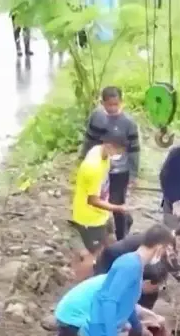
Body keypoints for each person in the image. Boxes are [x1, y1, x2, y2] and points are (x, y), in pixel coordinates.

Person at [95, 214, 180, 336]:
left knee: (155, 282)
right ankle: (129, 331)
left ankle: (136, 329)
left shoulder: (171, 236)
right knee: (150, 283)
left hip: (126, 262)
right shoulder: (167, 248)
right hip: (110, 263)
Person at [53, 265, 167, 336]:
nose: (158, 290)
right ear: (147, 282)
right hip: (73, 319)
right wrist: (142, 328)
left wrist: (152, 316)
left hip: (70, 310)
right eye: (157, 286)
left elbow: (132, 307)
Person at [80, 87, 141, 241]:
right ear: (102, 103)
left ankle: (122, 236)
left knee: (117, 202)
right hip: (101, 169)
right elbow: (89, 141)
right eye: (109, 105)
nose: (113, 108)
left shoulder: (129, 123)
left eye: (116, 104)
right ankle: (99, 231)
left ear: (121, 103)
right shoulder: (97, 117)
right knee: (100, 200)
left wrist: (134, 174)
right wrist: (83, 159)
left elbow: (134, 150)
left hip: (120, 170)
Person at [70, 129, 130, 280]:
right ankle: (81, 282)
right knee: (92, 255)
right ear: (109, 145)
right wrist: (117, 208)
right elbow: (93, 200)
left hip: (101, 214)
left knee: (109, 242)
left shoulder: (100, 152)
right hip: (90, 217)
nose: (119, 154)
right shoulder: (93, 167)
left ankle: (102, 273)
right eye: (119, 150)